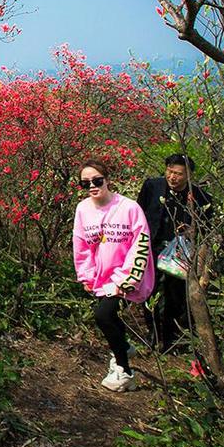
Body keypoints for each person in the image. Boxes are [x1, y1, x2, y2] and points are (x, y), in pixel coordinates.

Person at [72, 160, 155, 392]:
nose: (92, 186)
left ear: (107, 179)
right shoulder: (83, 209)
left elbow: (140, 245)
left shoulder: (128, 208)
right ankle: (123, 347)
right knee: (110, 318)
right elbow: (81, 245)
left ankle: (125, 371)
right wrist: (86, 276)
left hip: (124, 276)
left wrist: (125, 280)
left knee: (103, 316)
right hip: (100, 277)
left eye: (97, 180)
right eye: (85, 183)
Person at [138, 153, 213, 353]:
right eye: (170, 172)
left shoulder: (201, 198)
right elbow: (138, 213)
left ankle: (169, 338)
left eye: (178, 174)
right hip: (151, 248)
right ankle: (152, 334)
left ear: (188, 175)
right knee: (149, 292)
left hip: (179, 254)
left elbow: (207, 229)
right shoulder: (152, 187)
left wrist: (192, 231)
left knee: (174, 296)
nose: (173, 177)